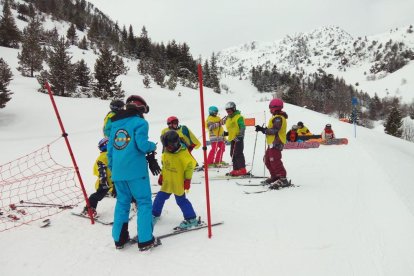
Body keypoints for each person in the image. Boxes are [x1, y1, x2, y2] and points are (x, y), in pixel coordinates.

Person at [107, 95, 161, 251]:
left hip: (118, 172)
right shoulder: (140, 123)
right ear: (140, 109)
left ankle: (119, 239)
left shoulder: (115, 126)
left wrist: (114, 170)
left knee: (122, 203)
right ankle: (145, 240)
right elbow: (142, 145)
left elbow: (110, 151)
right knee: (144, 202)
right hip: (136, 171)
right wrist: (152, 146)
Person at [152, 130, 199, 229]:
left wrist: (187, 180)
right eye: (165, 146)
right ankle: (154, 214)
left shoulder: (183, 154)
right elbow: (165, 165)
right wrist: (162, 175)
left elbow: (189, 167)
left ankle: (191, 219)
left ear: (176, 143)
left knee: (181, 201)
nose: (167, 148)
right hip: (168, 182)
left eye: (169, 146)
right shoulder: (166, 152)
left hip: (178, 182)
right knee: (159, 198)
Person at [255, 98, 290, 188]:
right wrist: (263, 129)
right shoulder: (275, 117)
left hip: (277, 143)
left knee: (274, 160)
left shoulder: (278, 118)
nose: (270, 109)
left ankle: (283, 179)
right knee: (266, 159)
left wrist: (263, 130)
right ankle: (275, 176)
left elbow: (274, 130)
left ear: (276, 108)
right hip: (271, 143)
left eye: (271, 107)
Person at [82, 137, 115, 218]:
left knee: (125, 192)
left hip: (115, 181)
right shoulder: (103, 157)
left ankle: (134, 202)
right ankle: (88, 209)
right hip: (105, 182)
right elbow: (99, 170)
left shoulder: (112, 154)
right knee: (97, 196)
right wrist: (104, 182)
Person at [223, 101, 247, 176]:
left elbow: (242, 127)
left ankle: (242, 170)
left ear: (233, 109)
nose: (228, 112)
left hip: (238, 138)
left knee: (238, 153)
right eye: (227, 111)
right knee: (232, 154)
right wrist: (226, 133)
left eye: (229, 110)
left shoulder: (239, 117)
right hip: (232, 138)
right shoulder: (229, 118)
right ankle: (236, 169)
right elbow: (232, 129)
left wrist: (239, 136)